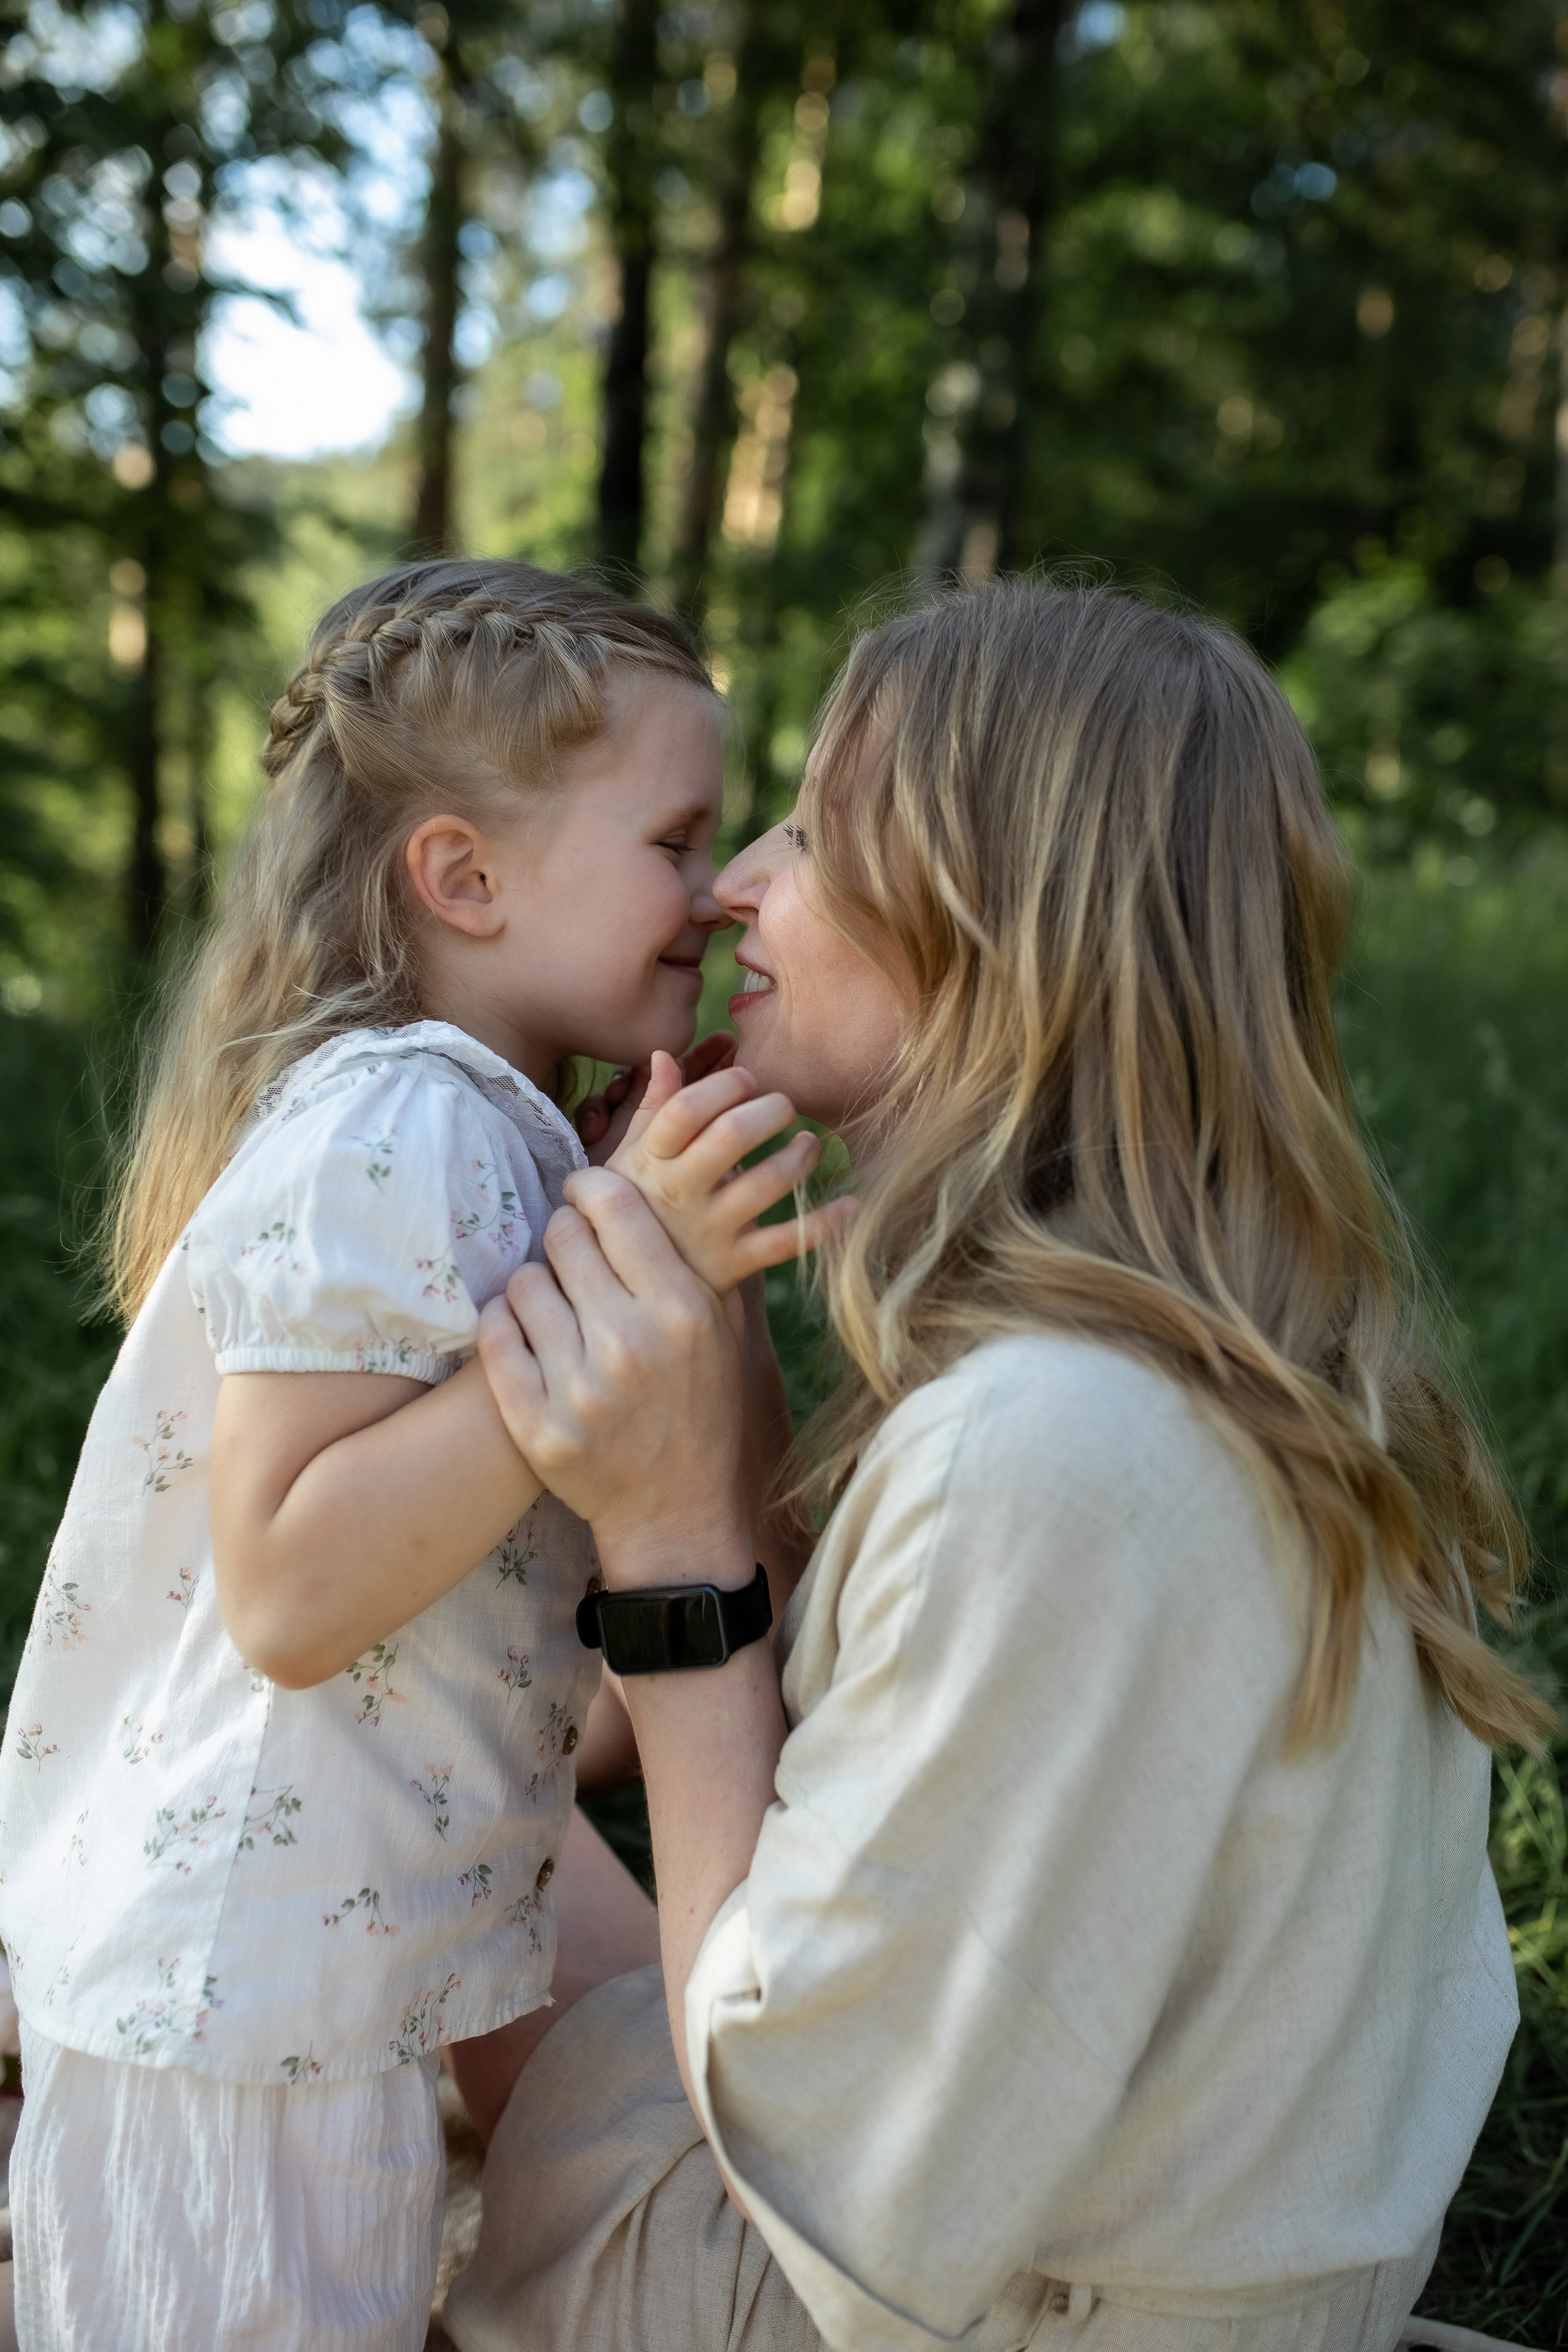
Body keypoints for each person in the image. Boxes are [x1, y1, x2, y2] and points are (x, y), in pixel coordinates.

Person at [445, 580, 1545, 2352]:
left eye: (818, 832)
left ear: (993, 920)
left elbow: (805, 2133)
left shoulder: (1046, 1451)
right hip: (1104, 2247)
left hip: (928, 2306)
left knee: (354, 1889)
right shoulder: (1227, 1372)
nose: (737, 886)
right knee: (400, 1796)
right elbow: (838, 1848)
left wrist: (672, 1547)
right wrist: (724, 1397)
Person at [0, 558, 832, 2352]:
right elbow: (292, 1590)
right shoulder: (395, 1123)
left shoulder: (486, 1131)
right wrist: (599, 1289)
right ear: (463, 878)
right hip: (230, 1997)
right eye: (675, 842)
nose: (718, 895)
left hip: (320, 1983)